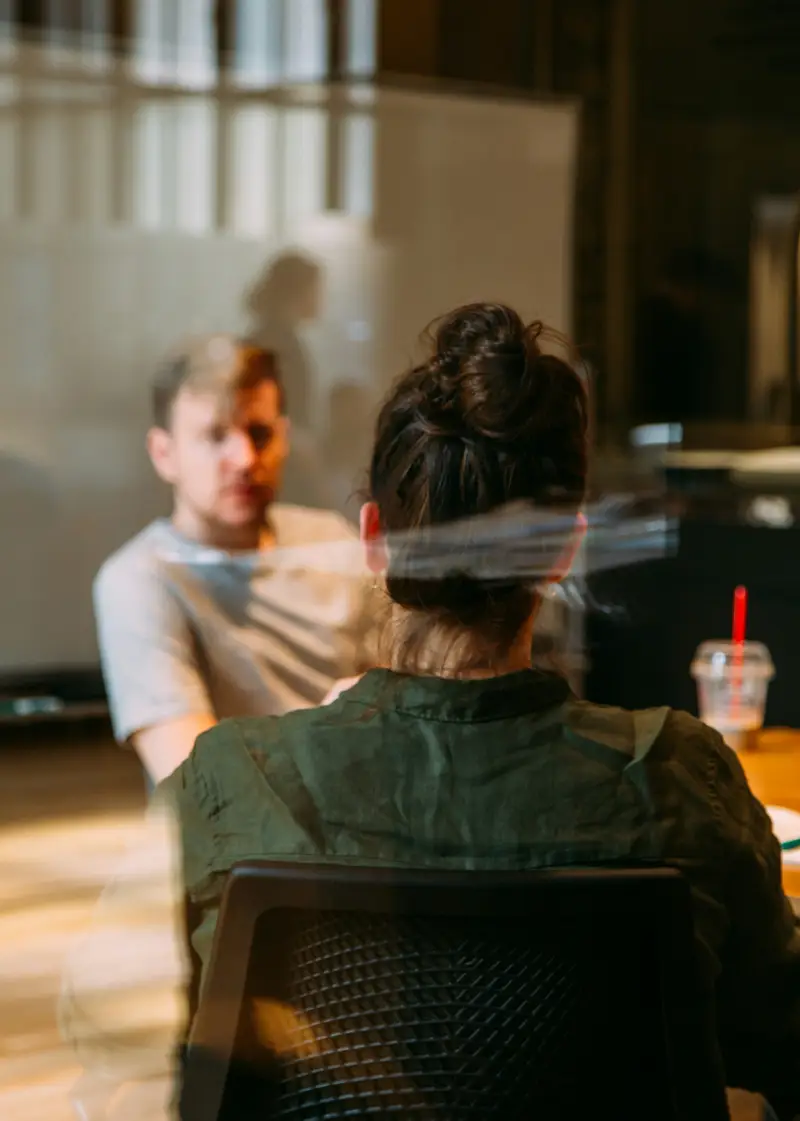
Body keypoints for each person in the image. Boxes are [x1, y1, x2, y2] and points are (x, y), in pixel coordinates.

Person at [65, 304, 797, 1118]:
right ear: (563, 548)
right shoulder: (682, 780)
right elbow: (778, 1039)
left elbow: (103, 1022)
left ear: (373, 538)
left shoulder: (221, 786)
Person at [94, 335, 376, 786]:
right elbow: (195, 781)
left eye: (259, 433)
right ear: (164, 454)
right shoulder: (139, 579)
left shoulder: (331, 540)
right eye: (214, 436)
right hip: (242, 851)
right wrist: (331, 730)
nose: (244, 459)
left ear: (284, 438)